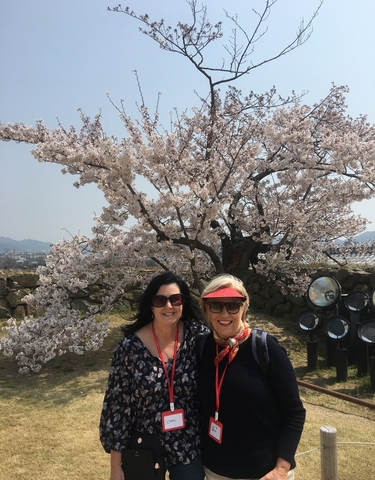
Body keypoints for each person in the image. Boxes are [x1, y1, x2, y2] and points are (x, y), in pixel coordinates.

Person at [99, 272, 209, 480]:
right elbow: (118, 408)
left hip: (188, 443)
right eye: (160, 300)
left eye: (175, 299)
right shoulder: (129, 348)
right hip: (144, 444)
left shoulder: (198, 337)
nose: (168, 306)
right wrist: (116, 468)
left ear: (183, 302)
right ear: (151, 305)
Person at [198, 274, 306, 480]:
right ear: (206, 309)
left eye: (233, 306)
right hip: (215, 471)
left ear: (244, 308)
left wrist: (281, 469)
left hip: (264, 473)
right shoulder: (202, 347)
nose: (224, 313)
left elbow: (294, 412)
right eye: (216, 306)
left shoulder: (265, 348)